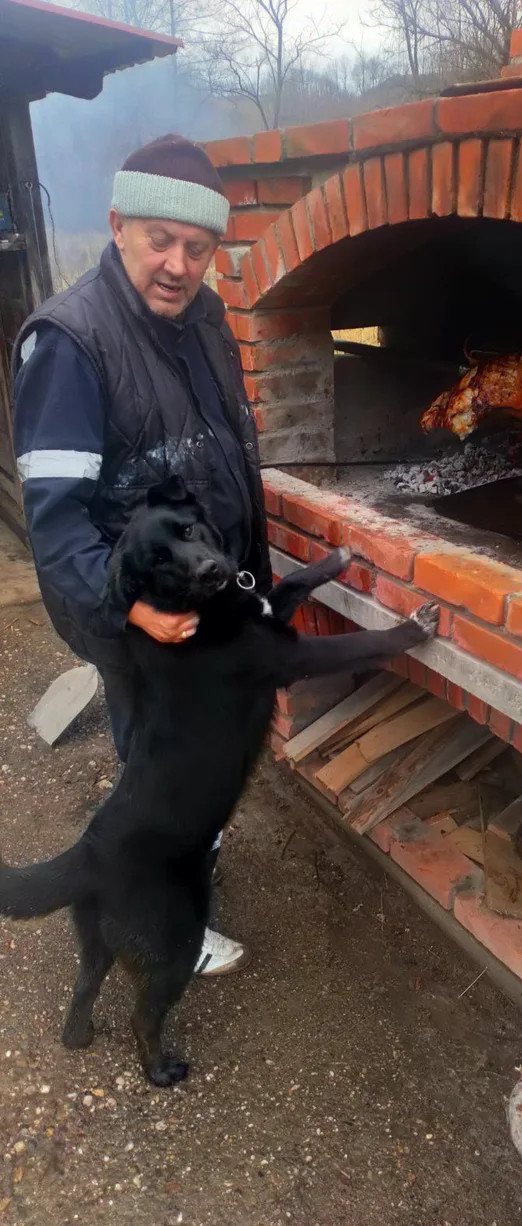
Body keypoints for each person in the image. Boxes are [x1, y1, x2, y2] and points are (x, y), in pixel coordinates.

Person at [12, 134, 271, 977]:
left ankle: (187, 871)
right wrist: (128, 609)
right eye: (159, 239)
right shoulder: (69, 344)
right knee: (159, 782)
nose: (177, 264)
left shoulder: (203, 320)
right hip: (144, 621)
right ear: (117, 224)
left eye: (197, 248)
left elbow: (220, 449)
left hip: (207, 605)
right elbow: (55, 524)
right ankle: (161, 928)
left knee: (200, 768)